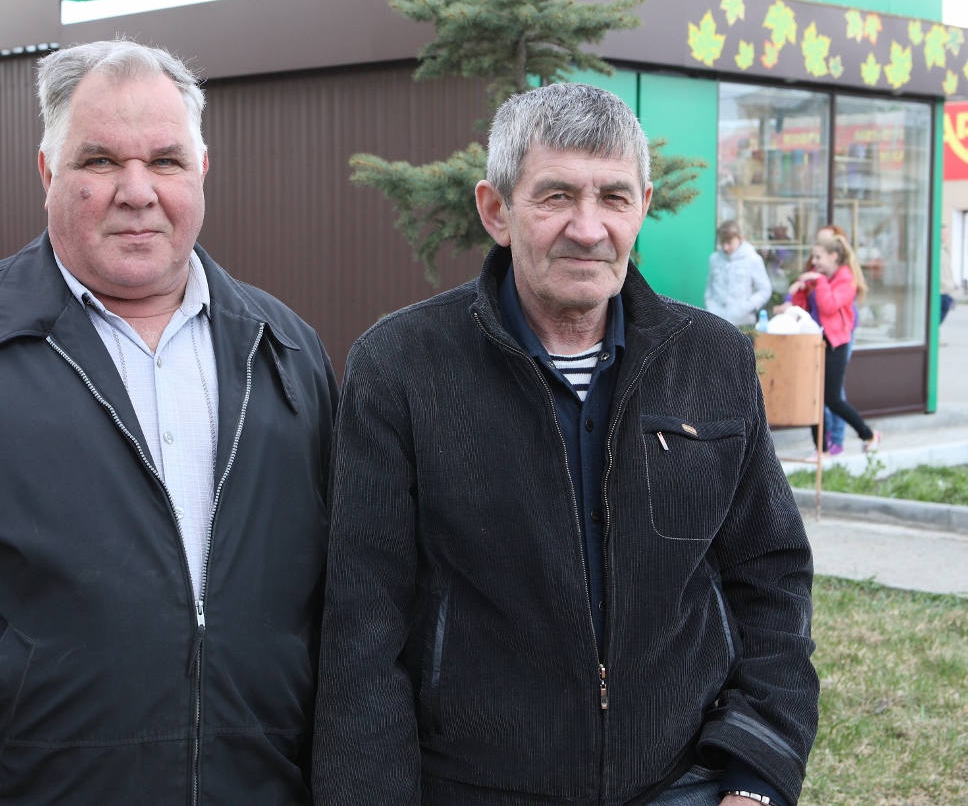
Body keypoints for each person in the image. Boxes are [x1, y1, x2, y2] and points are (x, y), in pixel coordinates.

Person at [0, 40, 338, 804]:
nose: (137, 191)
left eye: (166, 161)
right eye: (100, 160)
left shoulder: (287, 352)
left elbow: (342, 623)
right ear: (48, 172)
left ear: (202, 172)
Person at [313, 83, 818, 806]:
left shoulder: (712, 360)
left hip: (683, 781)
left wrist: (756, 775)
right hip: (475, 786)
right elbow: (363, 627)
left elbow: (771, 579)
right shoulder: (401, 366)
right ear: (496, 210)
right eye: (556, 197)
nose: (588, 228)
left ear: (642, 207)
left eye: (614, 197)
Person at [783, 229, 881, 455]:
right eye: (813, 257)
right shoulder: (819, 277)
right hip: (813, 343)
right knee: (813, 397)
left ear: (833, 257)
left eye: (818, 257)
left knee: (832, 398)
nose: (814, 262)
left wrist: (818, 281)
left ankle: (868, 435)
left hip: (836, 344)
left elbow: (828, 306)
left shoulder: (846, 279)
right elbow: (802, 309)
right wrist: (799, 290)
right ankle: (821, 450)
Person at [704, 220, 772, 326]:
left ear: (739, 238)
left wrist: (746, 307)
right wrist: (711, 308)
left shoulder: (753, 259)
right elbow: (710, 289)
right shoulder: (714, 259)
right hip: (716, 323)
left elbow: (765, 290)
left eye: (729, 243)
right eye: (722, 243)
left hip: (743, 324)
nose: (725, 247)